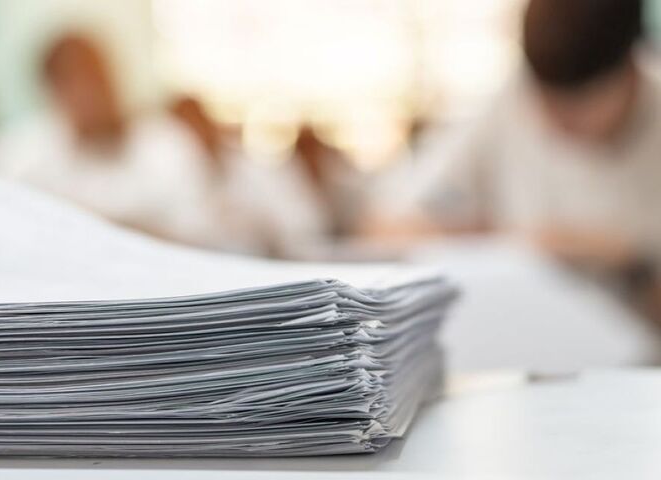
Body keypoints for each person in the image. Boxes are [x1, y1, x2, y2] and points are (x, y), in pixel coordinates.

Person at [370, 0, 661, 316]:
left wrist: (630, 259)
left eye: (579, 107)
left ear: (631, 67)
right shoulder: (510, 103)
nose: (556, 120)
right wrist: (515, 243)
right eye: (546, 100)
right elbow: (383, 229)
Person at [0, 34, 222, 246]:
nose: (87, 94)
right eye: (70, 83)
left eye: (92, 77)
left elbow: (200, 231)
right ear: (52, 93)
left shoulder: (165, 144)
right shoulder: (21, 154)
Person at [171, 97, 333, 257]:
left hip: (266, 253)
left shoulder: (247, 165)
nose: (196, 130)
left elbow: (295, 223)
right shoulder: (182, 165)